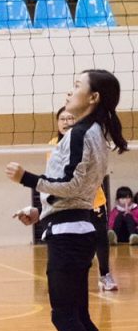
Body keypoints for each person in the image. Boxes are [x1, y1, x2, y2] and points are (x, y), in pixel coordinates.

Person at [6, 69, 127, 331]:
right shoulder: (91, 132)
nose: (70, 91)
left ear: (93, 98)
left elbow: (72, 185)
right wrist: (38, 212)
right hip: (71, 227)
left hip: (71, 234)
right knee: (80, 316)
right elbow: (73, 189)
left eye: (77, 86)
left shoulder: (81, 133)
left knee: (64, 315)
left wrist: (25, 178)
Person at [52, 107, 116, 292]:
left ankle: (104, 275)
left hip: (93, 199)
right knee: (68, 241)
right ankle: (67, 279)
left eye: (70, 118)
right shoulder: (53, 145)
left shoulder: (90, 141)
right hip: (68, 202)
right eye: (62, 119)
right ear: (57, 123)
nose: (66, 122)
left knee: (100, 238)